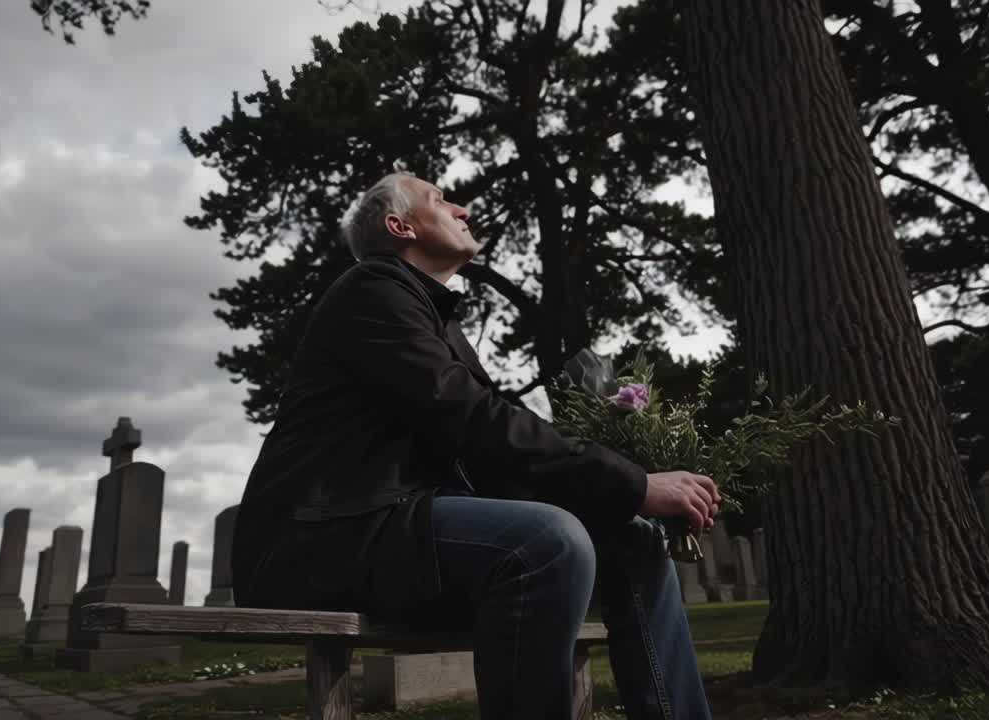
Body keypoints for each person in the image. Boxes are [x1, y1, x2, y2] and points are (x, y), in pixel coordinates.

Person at [231, 171, 718, 719]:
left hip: (399, 523)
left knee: (634, 540)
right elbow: (473, 419)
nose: (462, 209)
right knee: (546, 542)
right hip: (327, 536)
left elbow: (490, 457)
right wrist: (632, 483)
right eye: (441, 200)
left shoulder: (436, 319)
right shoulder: (373, 292)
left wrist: (612, 496)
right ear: (400, 226)